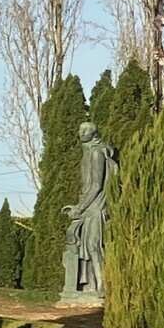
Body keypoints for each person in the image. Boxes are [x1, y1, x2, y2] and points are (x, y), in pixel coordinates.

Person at [62, 121, 117, 298]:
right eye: (80, 129)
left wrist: (80, 208)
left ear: (94, 133)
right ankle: (91, 286)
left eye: (86, 130)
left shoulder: (96, 153)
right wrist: (79, 206)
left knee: (94, 246)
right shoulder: (88, 153)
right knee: (86, 246)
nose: (82, 132)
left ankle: (103, 287)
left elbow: (96, 185)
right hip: (89, 206)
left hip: (97, 206)